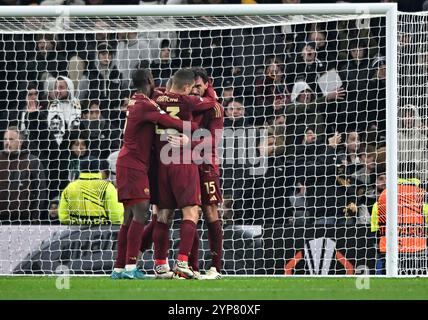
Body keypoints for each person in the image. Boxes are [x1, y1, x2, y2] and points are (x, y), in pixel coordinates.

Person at [111, 68, 198, 280]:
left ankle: (120, 268)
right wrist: (194, 127)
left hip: (132, 162)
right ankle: (131, 268)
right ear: (149, 80)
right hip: (135, 165)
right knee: (140, 215)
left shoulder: (134, 100)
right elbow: (172, 122)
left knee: (130, 217)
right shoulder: (147, 105)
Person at [151, 68, 217, 279]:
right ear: (188, 88)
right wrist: (210, 91)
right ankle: (182, 262)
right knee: (191, 212)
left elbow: (158, 90)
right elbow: (210, 103)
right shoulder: (188, 102)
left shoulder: (156, 98)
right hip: (183, 161)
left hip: (161, 163)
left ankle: (161, 265)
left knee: (163, 214)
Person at [184, 67, 224, 279]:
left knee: (210, 212)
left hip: (207, 165)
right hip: (185, 165)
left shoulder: (214, 108)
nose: (195, 89)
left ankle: (215, 268)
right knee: (191, 213)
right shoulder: (187, 103)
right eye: (193, 86)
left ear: (207, 85)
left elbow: (212, 140)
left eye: (199, 85)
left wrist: (187, 143)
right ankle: (193, 267)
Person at [371, 173, 428, 275]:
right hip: (418, 249)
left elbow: (375, 230)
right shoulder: (422, 201)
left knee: (389, 282)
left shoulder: (380, 201)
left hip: (389, 250)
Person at [0, 127, 48, 224]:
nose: (7, 142)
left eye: (11, 139)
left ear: (20, 142)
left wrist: (35, 217)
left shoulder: (33, 161)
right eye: (5, 139)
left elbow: (40, 191)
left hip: (23, 220)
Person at [58, 158, 123, 225]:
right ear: (98, 168)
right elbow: (116, 216)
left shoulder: (70, 187)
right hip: (101, 231)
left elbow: (63, 218)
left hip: (76, 231)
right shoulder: (107, 187)